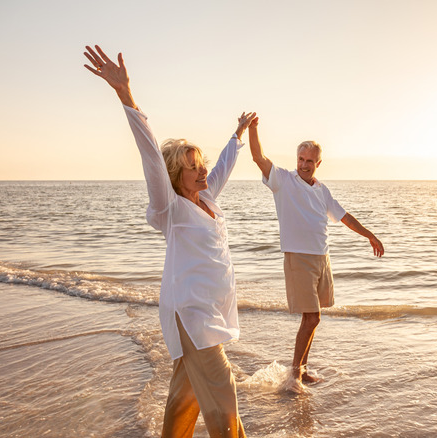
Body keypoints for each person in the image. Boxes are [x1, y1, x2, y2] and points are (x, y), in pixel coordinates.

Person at [83, 45, 253, 438]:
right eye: (191, 167)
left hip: (209, 311)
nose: (201, 170)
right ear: (175, 176)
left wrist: (237, 135)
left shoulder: (207, 199)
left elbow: (224, 164)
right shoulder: (170, 209)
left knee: (186, 397)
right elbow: (150, 158)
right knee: (223, 391)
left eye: (201, 164)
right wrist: (126, 96)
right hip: (193, 316)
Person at [247, 116, 384, 385]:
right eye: (301, 159)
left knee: (315, 318)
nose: (304, 165)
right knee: (311, 317)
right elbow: (258, 157)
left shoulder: (322, 190)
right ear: (296, 159)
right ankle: (295, 375)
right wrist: (253, 129)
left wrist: (370, 235)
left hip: (322, 258)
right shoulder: (283, 181)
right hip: (298, 257)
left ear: (317, 163)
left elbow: (344, 217)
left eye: (310, 161)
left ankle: (301, 370)